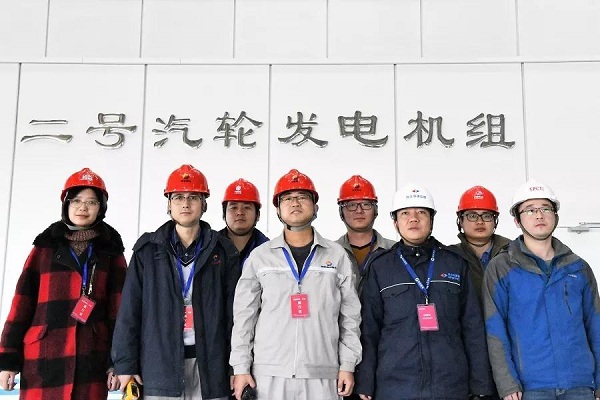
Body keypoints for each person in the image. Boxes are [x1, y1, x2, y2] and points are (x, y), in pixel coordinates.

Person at [230, 168, 362, 400]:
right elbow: (244, 317)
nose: (295, 203)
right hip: (269, 373)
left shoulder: (337, 256)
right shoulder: (260, 257)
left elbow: (350, 316)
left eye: (302, 197)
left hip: (323, 372)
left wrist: (348, 364)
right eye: (287, 198)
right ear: (278, 210)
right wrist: (240, 367)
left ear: (315, 207)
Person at [112, 164, 240, 400]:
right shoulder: (147, 252)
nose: (185, 204)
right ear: (169, 204)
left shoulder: (222, 251)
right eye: (178, 197)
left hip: (212, 370)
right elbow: (130, 311)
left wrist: (237, 366)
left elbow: (235, 315)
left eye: (193, 197)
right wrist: (126, 364)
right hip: (159, 369)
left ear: (204, 204)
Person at [355, 184, 494, 400]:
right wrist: (365, 383)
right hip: (395, 387)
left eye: (421, 212)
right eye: (405, 213)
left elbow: (472, 327)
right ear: (395, 222)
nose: (413, 219)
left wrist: (480, 385)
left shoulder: (455, 263)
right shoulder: (380, 267)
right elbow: (369, 329)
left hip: (450, 386)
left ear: (431, 220)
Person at [0, 167, 127, 399]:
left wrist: (117, 363)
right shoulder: (44, 247)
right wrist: (7, 359)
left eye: (91, 202)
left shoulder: (110, 250)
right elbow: (21, 304)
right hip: (43, 358)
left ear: (101, 208)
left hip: (91, 359)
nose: (83, 207)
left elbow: (120, 313)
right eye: (76, 200)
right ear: (66, 204)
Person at [483, 179, 600, 400]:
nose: (539, 215)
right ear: (517, 220)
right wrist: (507, 384)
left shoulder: (578, 267)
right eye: (530, 210)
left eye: (546, 208)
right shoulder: (501, 268)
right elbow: (495, 330)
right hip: (530, 388)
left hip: (580, 384)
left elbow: (595, 326)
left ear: (556, 216)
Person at [335, 175, 395, 295]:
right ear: (341, 212)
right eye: (351, 205)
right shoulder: (330, 253)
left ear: (375, 210)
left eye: (366, 204)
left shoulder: (395, 250)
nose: (359, 211)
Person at [450, 185, 510, 302]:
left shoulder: (513, 252)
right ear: (461, 221)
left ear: (495, 221)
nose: (480, 221)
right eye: (472, 216)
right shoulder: (450, 256)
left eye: (486, 216)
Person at [218, 178, 269, 269]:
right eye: (233, 207)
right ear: (224, 214)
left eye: (246, 207)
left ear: (257, 215)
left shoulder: (268, 249)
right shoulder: (210, 246)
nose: (240, 212)